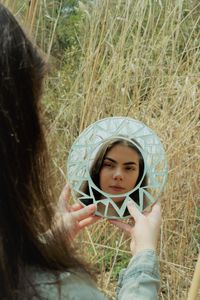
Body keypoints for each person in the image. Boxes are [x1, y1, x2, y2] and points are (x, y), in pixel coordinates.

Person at [0, 4, 161, 300]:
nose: (117, 176)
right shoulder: (59, 290)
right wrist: (144, 261)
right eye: (38, 109)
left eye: (130, 168)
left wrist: (48, 243)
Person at [80, 138, 148, 217]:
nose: (118, 175)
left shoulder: (146, 222)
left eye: (128, 168)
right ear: (97, 168)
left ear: (140, 175)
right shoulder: (75, 214)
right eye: (109, 165)